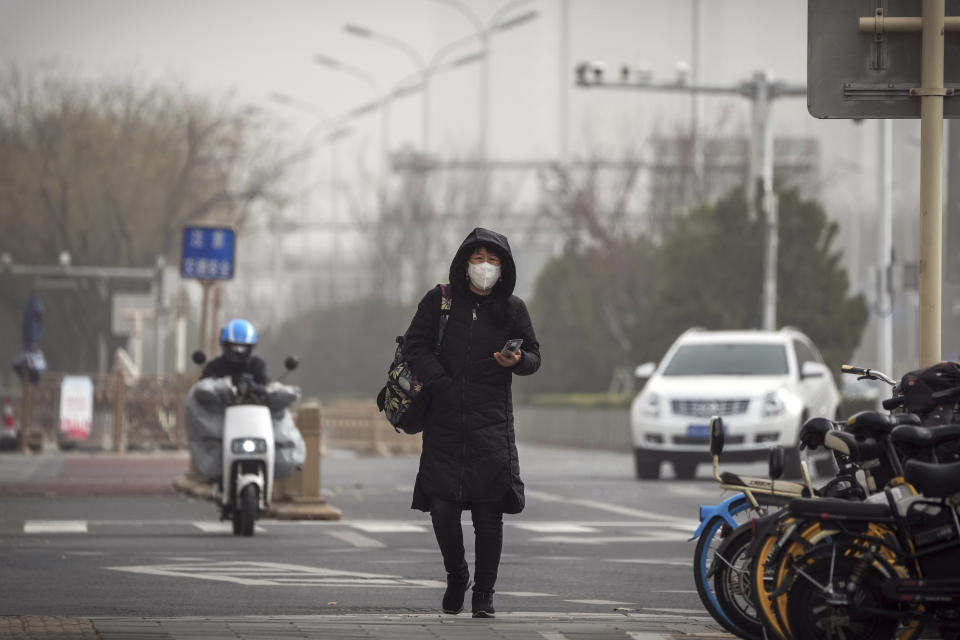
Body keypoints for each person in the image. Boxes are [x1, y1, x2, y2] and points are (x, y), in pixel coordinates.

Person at [402, 227, 541, 618]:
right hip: (444, 419)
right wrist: (442, 384)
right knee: (443, 509)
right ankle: (456, 574)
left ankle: (484, 594)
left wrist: (519, 361)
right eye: (478, 258)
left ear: (504, 267)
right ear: (465, 263)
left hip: (491, 422)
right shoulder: (439, 301)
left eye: (493, 260)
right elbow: (415, 346)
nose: (485, 267)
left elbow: (534, 355)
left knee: (487, 514)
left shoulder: (513, 309)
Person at [201, 318, 269, 385]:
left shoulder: (257, 366)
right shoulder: (214, 367)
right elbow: (202, 389)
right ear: (225, 345)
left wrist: (255, 388)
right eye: (234, 346)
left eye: (243, 347)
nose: (239, 351)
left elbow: (265, 386)